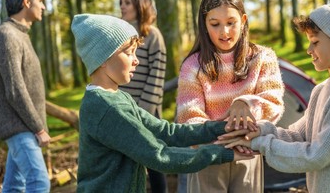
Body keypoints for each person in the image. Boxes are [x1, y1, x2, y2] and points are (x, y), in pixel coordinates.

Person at [217, 0, 330, 193]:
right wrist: (260, 131)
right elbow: (299, 136)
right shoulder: (322, 89)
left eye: (315, 42)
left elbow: (318, 155)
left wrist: (259, 144)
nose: (309, 50)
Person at [71, 13, 254, 193]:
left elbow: (166, 132)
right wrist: (224, 154)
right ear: (102, 59)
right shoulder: (107, 108)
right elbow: (159, 156)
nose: (136, 60)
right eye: (128, 53)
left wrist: (223, 127)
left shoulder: (118, 98)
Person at [176, 0, 285, 193]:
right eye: (215, 24)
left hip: (248, 155)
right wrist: (227, 142)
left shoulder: (263, 57)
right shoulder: (192, 66)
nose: (224, 31)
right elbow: (189, 116)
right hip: (207, 157)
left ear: (243, 21)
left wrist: (246, 102)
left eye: (231, 22)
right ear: (204, 25)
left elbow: (273, 102)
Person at [0, 0, 50, 192]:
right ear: (27, 2)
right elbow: (15, 90)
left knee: (15, 187)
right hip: (18, 127)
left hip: (23, 126)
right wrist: (39, 128)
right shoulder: (6, 35)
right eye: (41, 1)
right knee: (39, 182)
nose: (43, 6)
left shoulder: (20, 35)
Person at [119, 0, 168, 193]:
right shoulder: (121, 36)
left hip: (146, 112)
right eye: (121, 2)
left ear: (141, 6)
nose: (122, 6)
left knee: (155, 162)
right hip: (124, 111)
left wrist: (142, 112)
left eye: (127, 2)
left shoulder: (153, 35)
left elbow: (157, 75)